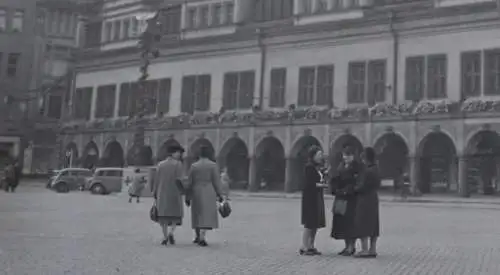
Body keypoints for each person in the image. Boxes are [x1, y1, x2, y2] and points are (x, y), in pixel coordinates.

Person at [185, 145, 224, 247]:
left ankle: (197, 235)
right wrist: (219, 193)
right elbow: (216, 181)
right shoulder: (213, 165)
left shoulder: (194, 166)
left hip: (196, 190)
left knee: (197, 213)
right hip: (208, 190)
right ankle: (202, 236)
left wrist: (187, 195)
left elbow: (189, 182)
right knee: (206, 214)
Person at [330, 145, 361, 256]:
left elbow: (356, 182)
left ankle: (351, 246)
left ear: (353, 156)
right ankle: (346, 245)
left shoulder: (357, 167)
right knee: (342, 223)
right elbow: (335, 178)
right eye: (344, 155)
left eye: (348, 155)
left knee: (350, 223)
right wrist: (335, 189)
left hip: (351, 198)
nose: (346, 158)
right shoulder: (341, 166)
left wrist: (348, 190)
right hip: (340, 197)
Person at [152, 145, 186, 246]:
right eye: (178, 152)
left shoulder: (160, 164)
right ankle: (171, 232)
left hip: (162, 192)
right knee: (175, 216)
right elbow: (180, 179)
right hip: (174, 193)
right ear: (173, 153)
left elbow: (156, 180)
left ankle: (165, 236)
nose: (180, 155)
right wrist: (184, 190)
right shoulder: (178, 164)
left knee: (163, 216)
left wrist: (155, 192)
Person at [299, 145, 327, 256]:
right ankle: (304, 246)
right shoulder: (309, 167)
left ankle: (311, 245)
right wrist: (322, 185)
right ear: (313, 155)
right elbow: (309, 184)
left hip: (317, 196)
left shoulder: (317, 167)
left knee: (315, 222)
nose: (321, 156)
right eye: (319, 154)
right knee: (309, 223)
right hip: (310, 198)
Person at [354, 147, 381, 258]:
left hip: (365, 198)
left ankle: (364, 249)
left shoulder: (367, 171)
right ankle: (372, 249)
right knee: (374, 223)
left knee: (363, 222)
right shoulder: (377, 169)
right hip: (374, 197)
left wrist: (354, 188)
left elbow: (362, 186)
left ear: (366, 158)